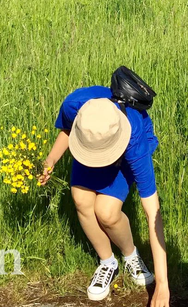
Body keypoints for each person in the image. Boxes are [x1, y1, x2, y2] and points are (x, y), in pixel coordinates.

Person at [39, 82, 169, 305]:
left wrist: (163, 285)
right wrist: (51, 159)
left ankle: (130, 255)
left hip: (120, 148)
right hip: (90, 142)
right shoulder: (74, 105)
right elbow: (69, 129)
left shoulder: (134, 138)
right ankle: (107, 262)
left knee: (107, 212)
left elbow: (152, 213)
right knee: (81, 200)